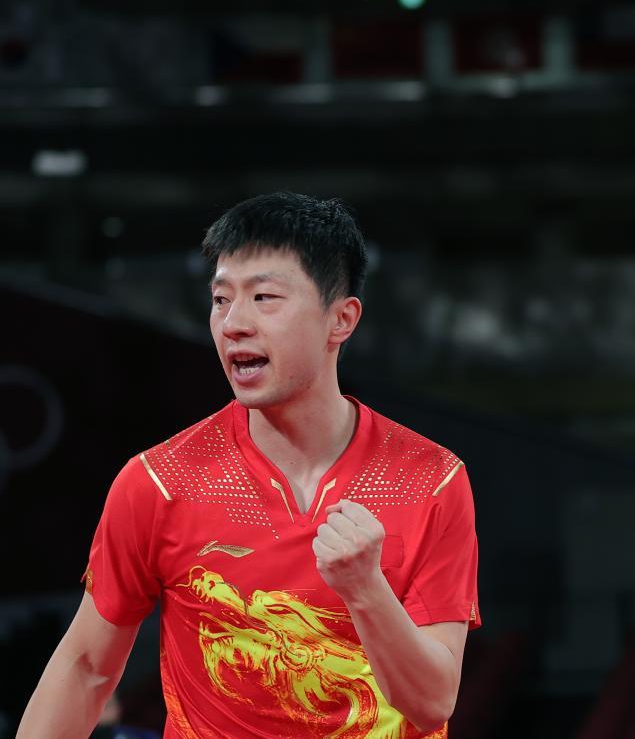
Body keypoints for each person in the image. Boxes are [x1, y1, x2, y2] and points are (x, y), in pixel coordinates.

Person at [17, 192, 480, 738]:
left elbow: (432, 702)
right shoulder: (159, 483)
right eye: (221, 299)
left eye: (264, 297)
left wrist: (365, 589)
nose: (234, 323)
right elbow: (86, 668)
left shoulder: (430, 479)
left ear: (341, 319)